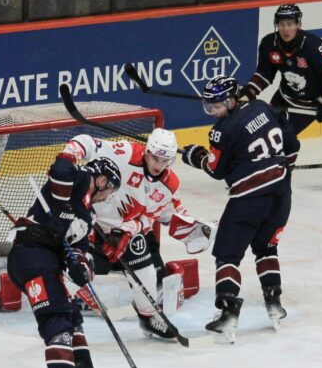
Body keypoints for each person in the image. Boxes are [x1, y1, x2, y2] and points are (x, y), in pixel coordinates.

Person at [61, 127, 215, 341]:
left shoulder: (169, 186)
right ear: (147, 151)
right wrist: (69, 156)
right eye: (155, 158)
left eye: (165, 161)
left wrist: (126, 232)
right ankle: (58, 315)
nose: (158, 165)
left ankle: (148, 317)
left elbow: (148, 218)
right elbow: (87, 142)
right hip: (89, 219)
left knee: (145, 264)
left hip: (119, 230)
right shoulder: (125, 152)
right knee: (78, 267)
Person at [181, 75, 300, 343]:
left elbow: (216, 169)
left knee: (227, 256)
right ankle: (274, 302)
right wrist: (285, 167)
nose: (214, 112)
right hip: (281, 195)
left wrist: (195, 156)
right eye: (210, 106)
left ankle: (228, 312)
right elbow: (292, 146)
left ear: (233, 100)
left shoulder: (222, 131)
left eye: (218, 106)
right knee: (267, 248)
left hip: (248, 200)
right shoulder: (264, 107)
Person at [6, 154, 121, 368]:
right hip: (30, 256)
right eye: (110, 189)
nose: (107, 197)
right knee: (57, 319)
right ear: (101, 180)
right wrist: (57, 208)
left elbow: (80, 250)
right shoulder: (79, 181)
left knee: (72, 317)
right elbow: (60, 165)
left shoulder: (87, 216)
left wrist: (80, 267)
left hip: (48, 262)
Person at [241, 3, 322, 136]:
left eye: (290, 24)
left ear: (298, 25)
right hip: (282, 97)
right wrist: (250, 91)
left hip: (308, 105)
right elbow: (265, 73)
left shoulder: (314, 47)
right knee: (262, 134)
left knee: (280, 140)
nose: (285, 29)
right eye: (281, 24)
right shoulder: (269, 44)